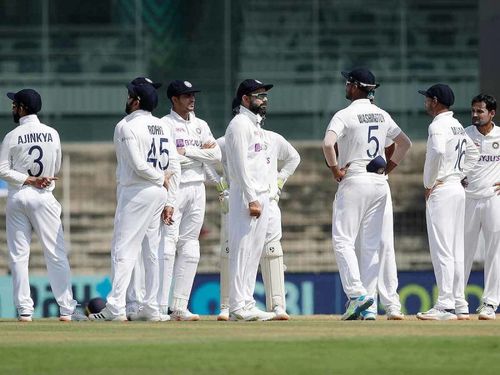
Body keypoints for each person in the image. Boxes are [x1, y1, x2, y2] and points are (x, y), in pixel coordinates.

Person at [322, 68, 412, 321]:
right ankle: (370, 307)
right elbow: (405, 143)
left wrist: (335, 170)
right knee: (372, 245)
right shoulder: (382, 115)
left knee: (343, 240)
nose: (345, 87)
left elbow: (328, 144)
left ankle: (357, 294)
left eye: (348, 83)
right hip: (378, 181)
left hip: (355, 177)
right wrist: (389, 169)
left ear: (355, 86)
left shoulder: (345, 114)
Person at [89, 79, 179, 321]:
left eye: (129, 96)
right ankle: (151, 308)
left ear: (136, 101)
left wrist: (159, 178)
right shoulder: (162, 126)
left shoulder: (125, 126)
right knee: (151, 251)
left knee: (123, 249)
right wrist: (168, 194)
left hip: (137, 191)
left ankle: (115, 308)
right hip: (158, 193)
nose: (127, 99)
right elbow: (173, 164)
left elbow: (138, 165)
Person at [206, 98, 300, 321]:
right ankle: (227, 306)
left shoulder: (271, 138)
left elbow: (294, 157)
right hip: (240, 200)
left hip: (267, 201)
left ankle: (276, 305)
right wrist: (220, 186)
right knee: (233, 249)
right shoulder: (229, 136)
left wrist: (279, 182)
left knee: (268, 250)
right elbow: (207, 158)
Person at [0, 88, 87, 321]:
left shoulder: (12, 135)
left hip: (18, 196)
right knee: (56, 253)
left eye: (14, 104)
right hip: (44, 196)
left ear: (22, 108)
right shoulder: (52, 133)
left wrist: (26, 179)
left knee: (19, 255)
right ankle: (67, 309)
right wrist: (39, 178)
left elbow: (2, 170)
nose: (12, 108)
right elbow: (55, 166)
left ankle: (25, 311)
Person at [158, 80, 221, 321]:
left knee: (191, 246)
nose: (192, 99)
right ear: (174, 99)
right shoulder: (164, 124)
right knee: (168, 245)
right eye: (186, 96)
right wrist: (196, 156)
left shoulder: (201, 124)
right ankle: (160, 306)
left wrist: (189, 153)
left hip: (198, 188)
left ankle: (179, 307)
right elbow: (169, 159)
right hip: (175, 187)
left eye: (193, 94)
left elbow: (216, 155)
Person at [416, 84, 479, 321]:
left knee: (442, 249)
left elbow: (438, 153)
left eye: (427, 99)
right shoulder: (458, 126)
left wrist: (429, 183)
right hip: (456, 189)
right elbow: (473, 154)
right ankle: (460, 302)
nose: (425, 102)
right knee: (455, 249)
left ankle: (444, 305)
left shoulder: (438, 125)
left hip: (442, 190)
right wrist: (460, 174)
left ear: (435, 101)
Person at [225, 79, 276, 321]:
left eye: (265, 96)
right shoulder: (239, 125)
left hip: (261, 194)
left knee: (254, 251)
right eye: (259, 95)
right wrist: (251, 198)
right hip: (247, 195)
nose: (264, 100)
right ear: (245, 99)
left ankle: (246, 302)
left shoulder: (255, 125)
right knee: (242, 249)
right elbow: (239, 166)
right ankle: (237, 305)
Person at [356, 142, 405, 321]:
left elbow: (396, 144)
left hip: (378, 184)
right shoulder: (345, 119)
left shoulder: (380, 116)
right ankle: (367, 303)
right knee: (361, 246)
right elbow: (331, 146)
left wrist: (385, 169)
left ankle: (391, 304)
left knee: (385, 244)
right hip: (355, 184)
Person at [463, 94, 500, 320]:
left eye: (480, 111)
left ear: (492, 113)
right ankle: (456, 300)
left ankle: (490, 303)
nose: (475, 115)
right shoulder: (466, 135)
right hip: (467, 198)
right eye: (473, 111)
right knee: (463, 251)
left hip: (493, 198)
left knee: (494, 251)